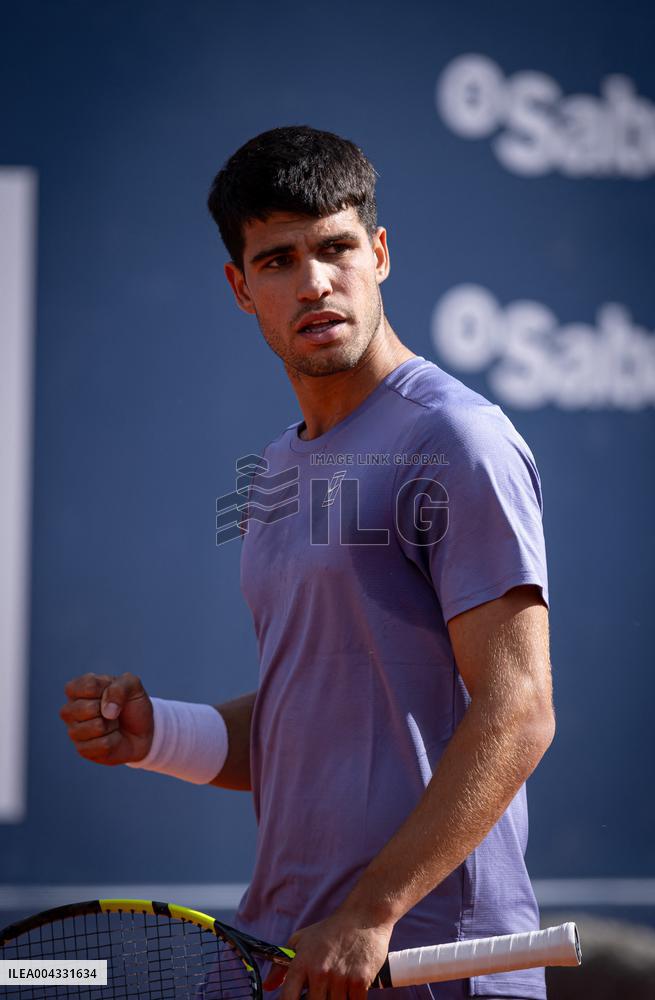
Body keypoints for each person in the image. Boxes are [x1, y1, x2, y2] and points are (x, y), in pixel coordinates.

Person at [60, 126, 555, 1000]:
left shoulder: (458, 439)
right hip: (287, 953)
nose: (315, 281)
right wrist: (159, 734)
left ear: (380, 253)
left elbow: (518, 712)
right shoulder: (276, 469)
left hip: (428, 961)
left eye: (335, 248)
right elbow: (321, 715)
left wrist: (370, 912)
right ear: (241, 288)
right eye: (279, 260)